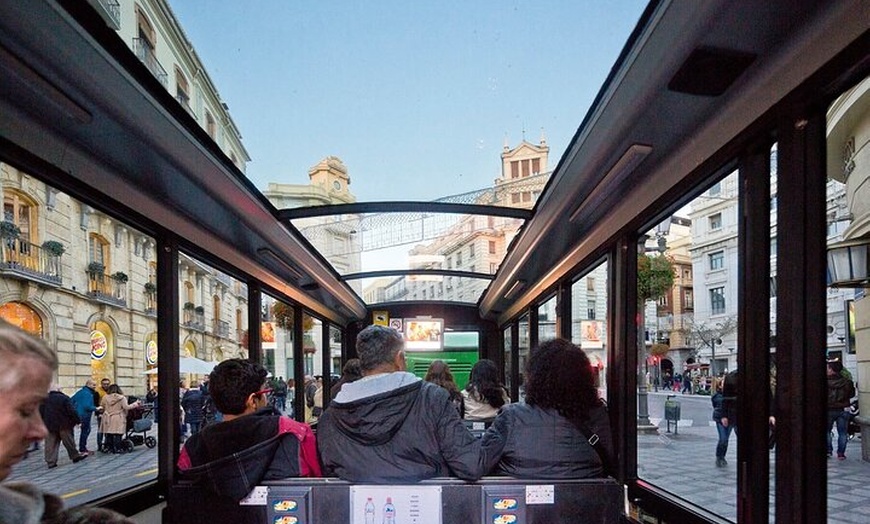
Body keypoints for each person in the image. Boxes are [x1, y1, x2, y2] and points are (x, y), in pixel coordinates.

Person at [317, 325, 486, 482]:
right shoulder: (433, 399)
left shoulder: (330, 417)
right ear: (399, 359)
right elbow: (470, 465)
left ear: (363, 363)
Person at [0, 323, 133, 523]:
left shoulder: (29, 508)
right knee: (67, 442)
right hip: (67, 424)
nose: (39, 431)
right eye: (26, 410)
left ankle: (54, 459)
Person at [178, 359, 321, 501]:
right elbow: (318, 487)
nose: (267, 398)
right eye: (265, 392)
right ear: (253, 400)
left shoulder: (193, 447)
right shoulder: (294, 433)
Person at [481, 339, 613, 478]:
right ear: (585, 379)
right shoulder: (599, 416)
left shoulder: (512, 417)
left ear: (534, 377)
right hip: (589, 497)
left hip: (517, 498)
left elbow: (481, 462)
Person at [39, 384, 87, 469]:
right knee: (69, 442)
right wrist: (77, 421)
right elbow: (71, 411)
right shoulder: (64, 398)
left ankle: (51, 462)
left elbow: (41, 412)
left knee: (50, 444)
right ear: (58, 389)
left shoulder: (43, 399)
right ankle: (75, 456)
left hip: (50, 425)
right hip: (64, 424)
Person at [826, 360, 855, 460]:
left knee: (827, 431)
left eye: (828, 368)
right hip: (843, 409)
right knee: (843, 432)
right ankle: (841, 454)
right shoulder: (847, 382)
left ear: (831, 369)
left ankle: (828, 451)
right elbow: (852, 394)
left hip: (828, 409)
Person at [100, 384, 140, 453]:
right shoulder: (122, 398)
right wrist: (135, 404)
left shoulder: (105, 397)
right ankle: (118, 448)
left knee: (109, 433)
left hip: (107, 417)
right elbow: (126, 407)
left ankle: (109, 448)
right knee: (118, 433)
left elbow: (102, 407)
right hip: (118, 417)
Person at [711, 374, 735, 467]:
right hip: (720, 419)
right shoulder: (717, 396)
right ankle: (719, 456)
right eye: (723, 384)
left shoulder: (731, 395)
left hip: (730, 419)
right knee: (723, 438)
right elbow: (715, 406)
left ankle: (722, 456)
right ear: (720, 386)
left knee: (726, 440)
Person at [70, 378, 99, 456]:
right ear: (88, 384)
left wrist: (76, 409)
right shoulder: (88, 393)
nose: (95, 386)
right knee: (86, 431)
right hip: (84, 415)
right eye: (93, 385)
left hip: (78, 415)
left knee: (85, 431)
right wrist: (96, 408)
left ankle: (81, 449)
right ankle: (83, 449)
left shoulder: (80, 392)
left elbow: (71, 401)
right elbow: (87, 406)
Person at [95, 377, 111, 452]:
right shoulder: (97, 392)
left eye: (107, 384)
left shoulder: (110, 391)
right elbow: (95, 403)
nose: (106, 385)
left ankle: (107, 444)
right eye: (104, 384)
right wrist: (98, 413)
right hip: (101, 413)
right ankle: (99, 445)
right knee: (100, 430)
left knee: (108, 429)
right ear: (101, 384)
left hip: (109, 413)